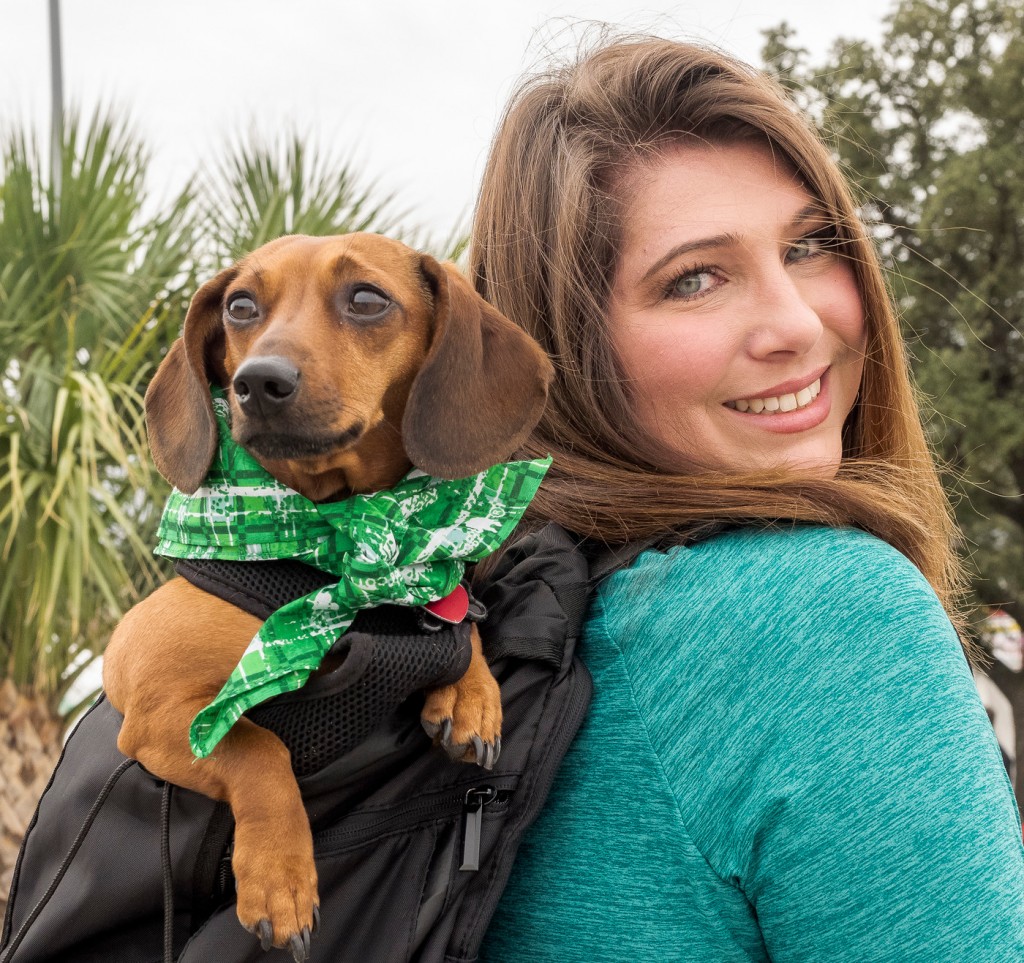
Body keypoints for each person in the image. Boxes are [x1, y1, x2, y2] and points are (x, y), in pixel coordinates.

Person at [467, 33, 1024, 961]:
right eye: (695, 278)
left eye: (809, 245)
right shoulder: (821, 613)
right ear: (565, 352)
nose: (798, 324)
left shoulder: (480, 628)